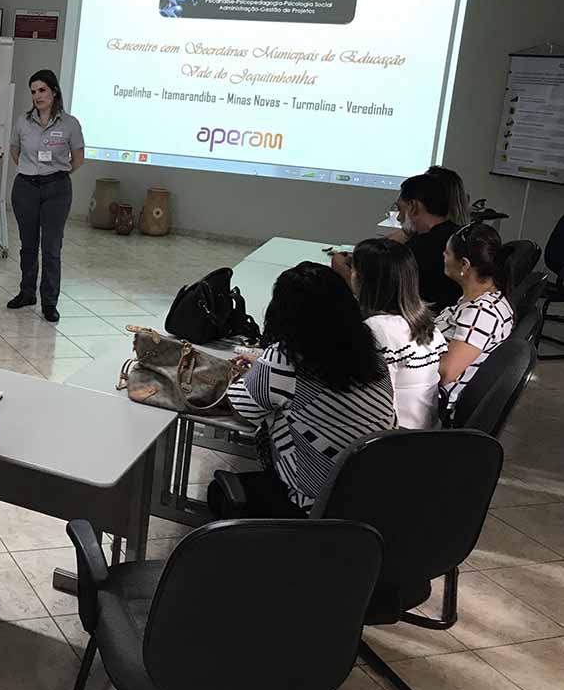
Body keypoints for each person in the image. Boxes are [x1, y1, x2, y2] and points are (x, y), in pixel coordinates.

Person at [207, 262, 396, 518]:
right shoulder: (373, 355)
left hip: (315, 505)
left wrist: (258, 371)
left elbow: (240, 409)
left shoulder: (289, 359)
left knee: (218, 492)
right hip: (373, 497)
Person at [7, 69, 85, 323]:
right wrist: (32, 172)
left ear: (54, 91)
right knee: (28, 245)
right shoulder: (23, 122)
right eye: (33, 92)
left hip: (57, 189)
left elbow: (78, 159)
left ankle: (49, 302)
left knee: (51, 247)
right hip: (26, 188)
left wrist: (54, 174)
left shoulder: (70, 124)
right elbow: (15, 150)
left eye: (41, 90)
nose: (37, 96)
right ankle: (26, 292)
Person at [349, 238, 448, 429]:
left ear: (362, 280)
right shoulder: (426, 325)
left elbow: (373, 408)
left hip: (395, 442)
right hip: (428, 432)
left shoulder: (376, 331)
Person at [437, 222, 515, 415]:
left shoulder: (481, 313)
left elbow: (446, 373)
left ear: (464, 265)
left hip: (432, 405)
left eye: (447, 253)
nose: (443, 256)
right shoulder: (481, 298)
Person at [393, 172, 460, 312]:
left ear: (413, 206)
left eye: (400, 209)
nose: (399, 218)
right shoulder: (459, 237)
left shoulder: (416, 250)